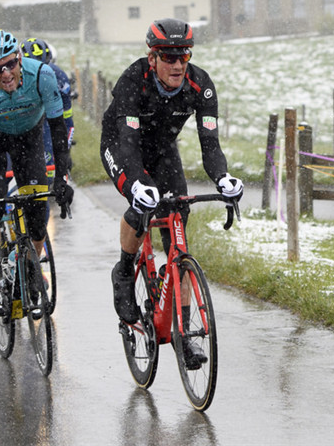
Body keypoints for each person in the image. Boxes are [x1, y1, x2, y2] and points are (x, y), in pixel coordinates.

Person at [100, 18, 243, 369]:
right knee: (141, 205)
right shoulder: (133, 81)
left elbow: (210, 144)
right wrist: (136, 184)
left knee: (177, 224)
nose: (177, 64)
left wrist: (222, 178)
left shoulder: (200, 85)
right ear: (153, 58)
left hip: (163, 151)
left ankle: (184, 334)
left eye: (183, 56)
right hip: (121, 147)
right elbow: (129, 145)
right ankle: (124, 270)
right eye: (168, 57)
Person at [0, 29, 74, 316]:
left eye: (10, 64)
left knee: (38, 211)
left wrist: (62, 177)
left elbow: (58, 130)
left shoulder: (42, 76)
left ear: (19, 57)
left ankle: (29, 266)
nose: (6, 73)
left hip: (29, 138)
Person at [20, 38, 75, 180]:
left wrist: (64, 150)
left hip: (47, 123)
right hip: (20, 122)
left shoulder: (59, 77)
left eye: (44, 66)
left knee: (47, 175)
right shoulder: (11, 77)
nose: (40, 73)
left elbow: (67, 121)